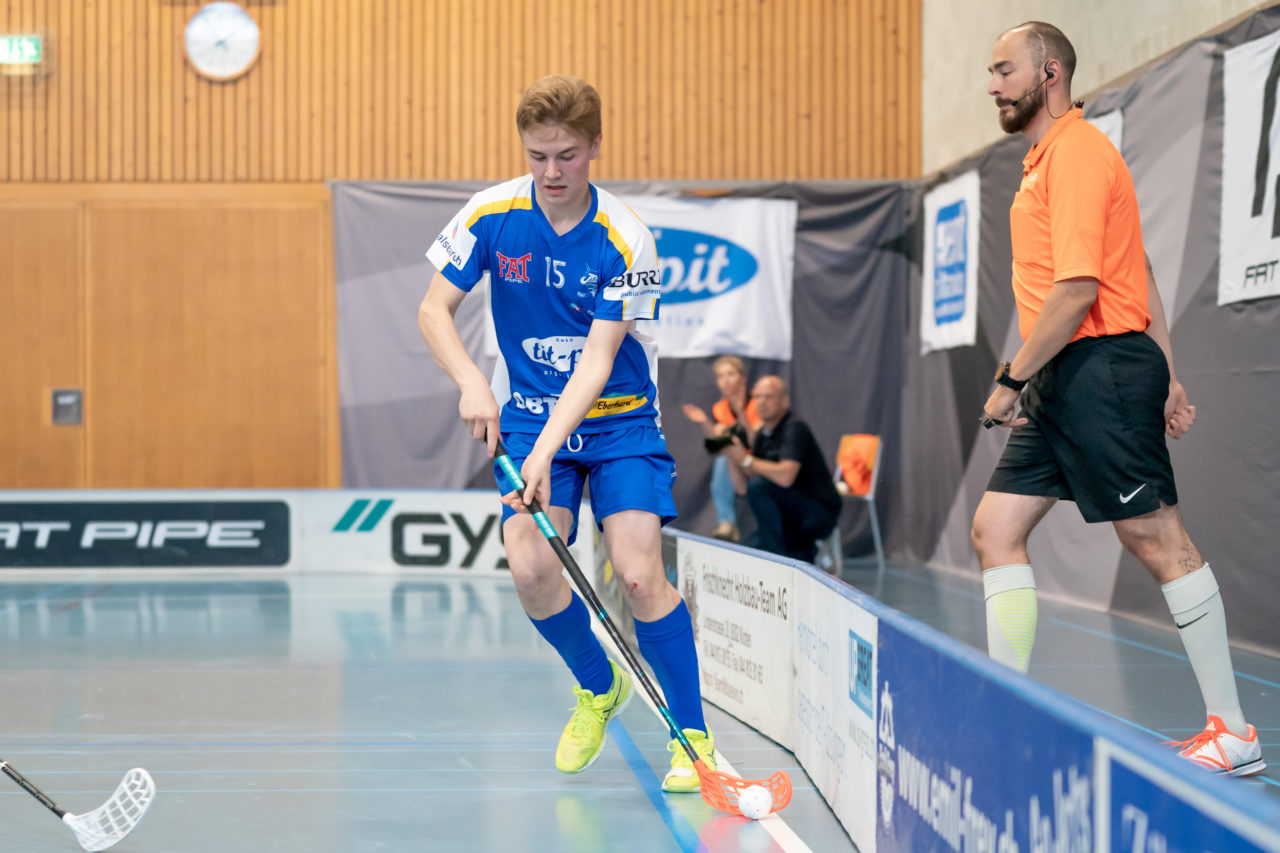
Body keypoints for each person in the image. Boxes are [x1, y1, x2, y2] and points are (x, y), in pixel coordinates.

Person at [975, 22, 1263, 776]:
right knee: (995, 529)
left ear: (1050, 71)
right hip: (1067, 373)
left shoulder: (1077, 152)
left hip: (1094, 366)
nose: (993, 86)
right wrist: (1167, 370)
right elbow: (1141, 269)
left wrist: (1010, 380)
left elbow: (1077, 290)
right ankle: (1006, 708)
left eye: (1005, 70)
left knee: (1156, 537)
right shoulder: (1043, 161)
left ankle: (1233, 730)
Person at [417, 74, 714, 791]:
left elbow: (599, 359)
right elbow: (432, 310)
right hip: (525, 413)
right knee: (530, 567)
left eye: (567, 156)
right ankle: (599, 684)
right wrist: (472, 381)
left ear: (596, 146)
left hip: (618, 422)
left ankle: (693, 738)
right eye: (537, 155)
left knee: (638, 573)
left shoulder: (627, 237)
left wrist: (546, 451)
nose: (551, 172)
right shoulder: (491, 213)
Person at [724, 376, 841, 563]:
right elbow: (742, 488)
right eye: (757, 397)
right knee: (749, 548)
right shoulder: (763, 434)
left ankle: (778, 560)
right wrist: (731, 452)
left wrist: (746, 460)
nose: (762, 402)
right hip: (788, 516)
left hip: (818, 512)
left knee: (759, 487)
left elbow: (786, 477)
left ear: (784, 400)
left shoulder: (794, 428)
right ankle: (789, 554)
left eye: (768, 396)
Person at [681, 355, 762, 542]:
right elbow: (717, 444)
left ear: (742, 378)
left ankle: (730, 523)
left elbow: (756, 443)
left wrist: (741, 412)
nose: (725, 380)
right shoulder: (720, 408)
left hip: (759, 461)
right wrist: (705, 423)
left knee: (725, 460)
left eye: (730, 374)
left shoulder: (758, 402)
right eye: (721, 376)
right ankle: (726, 523)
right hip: (736, 463)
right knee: (722, 461)